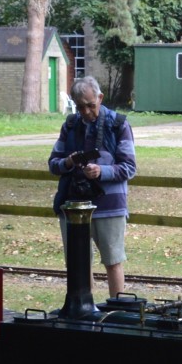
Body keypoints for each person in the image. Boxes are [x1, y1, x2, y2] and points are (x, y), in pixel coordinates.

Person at [48, 76, 137, 297]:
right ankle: (83, 311)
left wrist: (101, 172)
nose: (86, 111)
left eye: (91, 105)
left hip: (109, 205)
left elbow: (129, 167)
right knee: (79, 264)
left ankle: (117, 312)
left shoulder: (118, 124)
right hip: (74, 206)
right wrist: (68, 162)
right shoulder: (70, 125)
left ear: (100, 97)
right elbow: (53, 164)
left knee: (113, 261)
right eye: (80, 107)